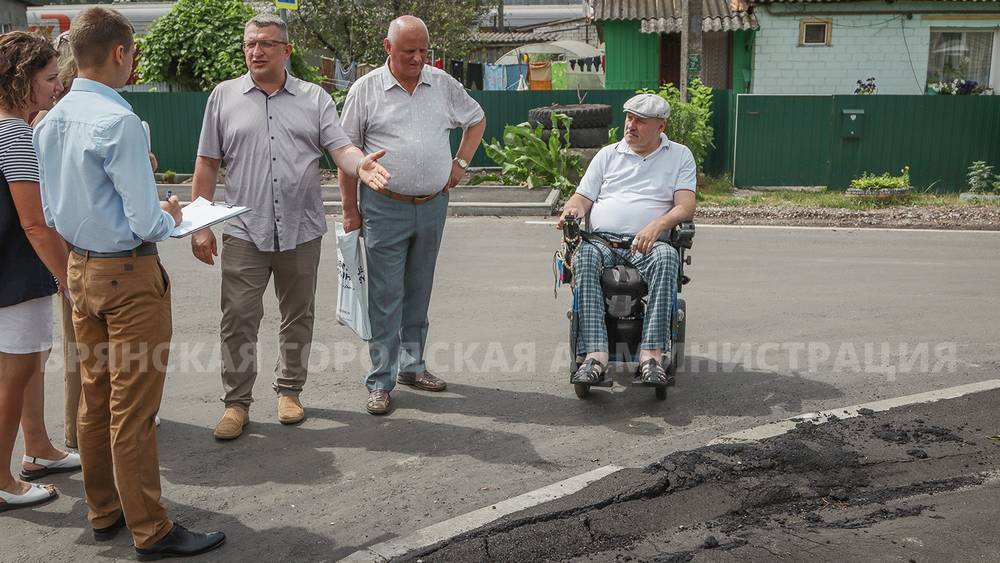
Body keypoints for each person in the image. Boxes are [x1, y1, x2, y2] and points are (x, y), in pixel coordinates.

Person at [34, 7, 224, 558]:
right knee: (134, 410)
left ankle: (104, 511)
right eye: (133, 54)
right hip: (128, 274)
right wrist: (173, 212)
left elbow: (50, 209)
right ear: (120, 52)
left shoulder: (50, 120)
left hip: (81, 270)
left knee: (93, 401)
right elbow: (146, 221)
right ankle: (152, 529)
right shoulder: (118, 122)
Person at [190, 14, 390, 439]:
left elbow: (341, 149)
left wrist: (361, 164)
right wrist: (200, 224)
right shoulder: (223, 97)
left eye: (265, 43)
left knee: (297, 316)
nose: (255, 51)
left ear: (287, 50)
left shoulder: (314, 98)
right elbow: (207, 162)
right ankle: (236, 404)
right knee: (238, 319)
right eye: (249, 44)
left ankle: (289, 391)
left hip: (301, 229)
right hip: (245, 229)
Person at [339, 15, 486, 415]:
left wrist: (461, 163)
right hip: (385, 207)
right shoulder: (365, 90)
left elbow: (476, 119)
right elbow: (346, 154)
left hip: (433, 205)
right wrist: (350, 210)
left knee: (419, 291)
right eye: (409, 51)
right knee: (386, 297)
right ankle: (380, 381)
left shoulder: (442, 85)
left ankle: (413, 366)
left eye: (423, 50)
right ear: (388, 49)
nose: (418, 58)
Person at [558, 93, 696, 386]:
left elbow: (685, 206)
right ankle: (596, 356)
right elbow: (582, 198)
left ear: (660, 126)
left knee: (667, 257)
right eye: (629, 118)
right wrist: (572, 211)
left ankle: (650, 356)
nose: (630, 125)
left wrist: (657, 225)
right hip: (602, 241)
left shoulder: (679, 155)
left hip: (648, 242)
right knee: (583, 257)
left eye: (640, 121)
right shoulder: (608, 154)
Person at [0, 30, 81, 512]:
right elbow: (34, 223)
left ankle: (40, 449)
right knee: (20, 367)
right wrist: (71, 278)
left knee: (28, 357)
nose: (57, 87)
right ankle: (4, 480)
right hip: (17, 272)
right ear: (22, 80)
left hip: (12, 272)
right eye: (50, 78)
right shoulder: (14, 133)